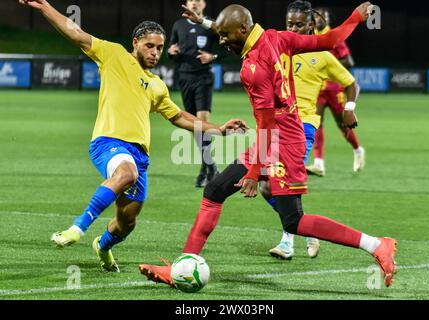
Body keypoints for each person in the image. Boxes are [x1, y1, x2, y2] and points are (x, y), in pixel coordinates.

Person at [139, 3, 398, 288]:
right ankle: (182, 267)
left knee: (293, 221)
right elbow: (330, 40)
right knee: (215, 190)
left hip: (282, 141)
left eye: (225, 36)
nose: (222, 41)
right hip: (282, 135)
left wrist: (252, 173)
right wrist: (356, 18)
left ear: (242, 30)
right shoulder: (276, 37)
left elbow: (265, 126)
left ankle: (377, 245)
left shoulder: (253, 68)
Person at [19, 0, 247, 272]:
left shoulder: (157, 86)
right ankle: (77, 228)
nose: (155, 52)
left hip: (140, 157)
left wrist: (219, 129)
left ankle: (102, 246)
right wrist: (44, 7)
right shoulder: (113, 54)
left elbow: (180, 117)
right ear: (136, 42)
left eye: (160, 48)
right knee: (127, 174)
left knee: (127, 222)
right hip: (108, 143)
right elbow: (75, 33)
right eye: (149, 46)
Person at [265, 0, 360, 261]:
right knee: (265, 186)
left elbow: (352, 83)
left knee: (284, 186)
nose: (293, 28)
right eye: (289, 24)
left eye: (299, 24)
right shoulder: (279, 47)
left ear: (311, 24)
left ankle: (287, 242)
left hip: (303, 126)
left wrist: (349, 107)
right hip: (277, 126)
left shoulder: (324, 56)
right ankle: (306, 230)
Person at [168, 0, 228, 187]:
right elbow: (170, 50)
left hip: (204, 78)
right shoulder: (178, 25)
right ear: (186, 3)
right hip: (185, 78)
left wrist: (213, 57)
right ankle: (210, 167)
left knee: (202, 121)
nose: (194, 3)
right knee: (194, 126)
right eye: (191, 0)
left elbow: (227, 48)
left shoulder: (211, 26)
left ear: (204, 4)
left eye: (198, 0)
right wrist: (171, 51)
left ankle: (206, 170)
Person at [306, 7, 365, 177]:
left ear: (327, 19)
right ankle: (319, 163)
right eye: (317, 16)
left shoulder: (333, 37)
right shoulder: (311, 36)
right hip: (318, 89)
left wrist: (330, 67)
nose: (320, 19)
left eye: (323, 16)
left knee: (343, 125)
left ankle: (357, 149)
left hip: (335, 89)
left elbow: (349, 61)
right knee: (316, 123)